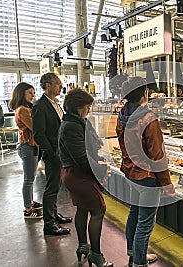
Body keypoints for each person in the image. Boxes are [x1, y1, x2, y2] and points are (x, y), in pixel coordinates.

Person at [116, 76, 175, 267]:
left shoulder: (122, 116)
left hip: (131, 173)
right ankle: (140, 263)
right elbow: (157, 156)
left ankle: (134, 254)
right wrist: (167, 184)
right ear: (145, 93)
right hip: (148, 178)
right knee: (145, 222)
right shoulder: (148, 119)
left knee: (134, 213)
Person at [59, 89, 113, 267]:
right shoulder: (72, 126)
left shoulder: (73, 122)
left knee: (82, 209)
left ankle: (83, 246)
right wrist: (101, 169)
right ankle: (96, 255)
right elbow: (81, 158)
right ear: (78, 107)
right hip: (79, 176)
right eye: (87, 107)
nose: (89, 110)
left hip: (72, 174)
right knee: (98, 211)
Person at [32, 72, 72, 235]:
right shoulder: (40, 106)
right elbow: (38, 134)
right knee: (51, 188)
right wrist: (51, 153)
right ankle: (49, 223)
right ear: (48, 85)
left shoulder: (55, 103)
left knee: (56, 186)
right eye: (57, 84)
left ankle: (54, 214)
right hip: (53, 153)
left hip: (61, 151)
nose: (60, 87)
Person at [9, 82, 43, 219]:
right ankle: (28, 209)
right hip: (27, 146)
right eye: (30, 93)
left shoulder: (25, 108)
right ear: (21, 93)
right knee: (28, 179)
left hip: (29, 146)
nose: (33, 96)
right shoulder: (23, 110)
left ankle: (30, 202)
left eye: (34, 93)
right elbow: (35, 127)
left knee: (31, 177)